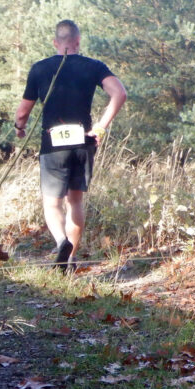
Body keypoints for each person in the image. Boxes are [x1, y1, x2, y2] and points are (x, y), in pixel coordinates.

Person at [14, 20, 127, 269]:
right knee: (74, 201)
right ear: (78, 42)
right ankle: (71, 258)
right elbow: (119, 93)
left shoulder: (40, 69)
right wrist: (100, 126)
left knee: (52, 202)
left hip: (52, 144)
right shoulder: (94, 66)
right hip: (83, 141)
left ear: (56, 43)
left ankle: (60, 242)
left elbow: (23, 112)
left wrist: (19, 128)